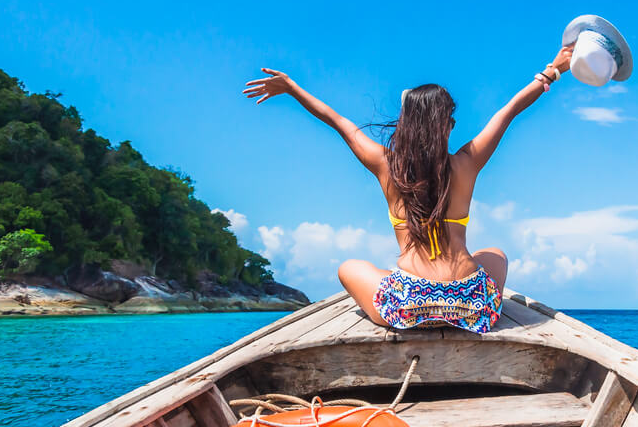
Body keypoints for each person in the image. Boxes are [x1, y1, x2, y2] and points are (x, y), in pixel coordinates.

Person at [242, 43, 574, 333]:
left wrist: (291, 88)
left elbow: (337, 120)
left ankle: (410, 279)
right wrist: (553, 71)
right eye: (452, 121)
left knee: (349, 267)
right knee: (495, 255)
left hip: (406, 306)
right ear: (444, 126)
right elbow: (509, 111)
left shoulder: (386, 165)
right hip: (472, 309)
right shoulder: (466, 163)